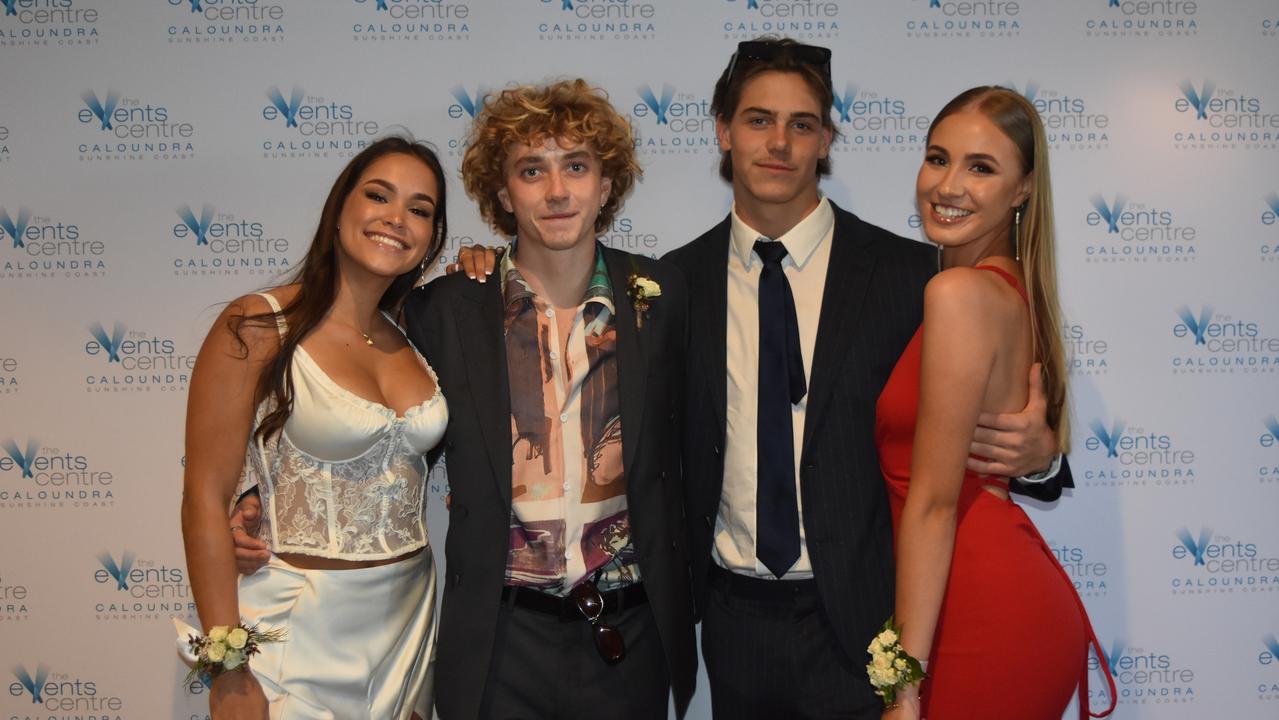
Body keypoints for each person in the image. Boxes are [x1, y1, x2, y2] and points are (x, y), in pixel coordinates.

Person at [449, 39, 1070, 719]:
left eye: (801, 124)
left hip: (869, 620)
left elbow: (992, 407)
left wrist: (1039, 460)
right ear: (722, 131)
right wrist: (486, 267)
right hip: (730, 621)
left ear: (826, 139)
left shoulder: (913, 276)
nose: (778, 143)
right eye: (756, 120)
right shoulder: (666, 289)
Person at [404, 79, 696, 719]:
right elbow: (376, 433)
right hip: (499, 641)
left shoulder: (661, 296)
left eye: (577, 167)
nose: (558, 191)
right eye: (532, 171)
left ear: (607, 184)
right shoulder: (446, 311)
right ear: (503, 193)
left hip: (628, 632)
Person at [181, 136, 450, 720]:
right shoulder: (257, 325)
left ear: (432, 236)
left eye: (420, 209)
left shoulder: (415, 335)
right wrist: (226, 670)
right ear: (338, 211)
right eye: (378, 195)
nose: (396, 219)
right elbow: (205, 493)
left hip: (408, 626)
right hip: (297, 632)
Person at [876, 86, 1115, 719]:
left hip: (976, 608)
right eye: (938, 157)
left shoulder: (960, 294)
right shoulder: (1007, 290)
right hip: (967, 595)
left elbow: (932, 504)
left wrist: (903, 686)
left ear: (1023, 190)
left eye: (981, 168)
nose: (948, 184)